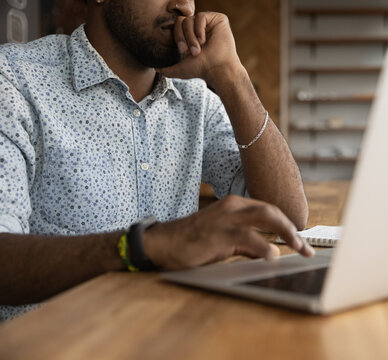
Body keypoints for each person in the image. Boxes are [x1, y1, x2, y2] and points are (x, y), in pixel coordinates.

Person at [0, 0, 313, 320]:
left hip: (171, 339)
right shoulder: (14, 81)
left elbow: (286, 215)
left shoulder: (196, 100)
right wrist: (144, 245)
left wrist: (231, 74)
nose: (183, 6)